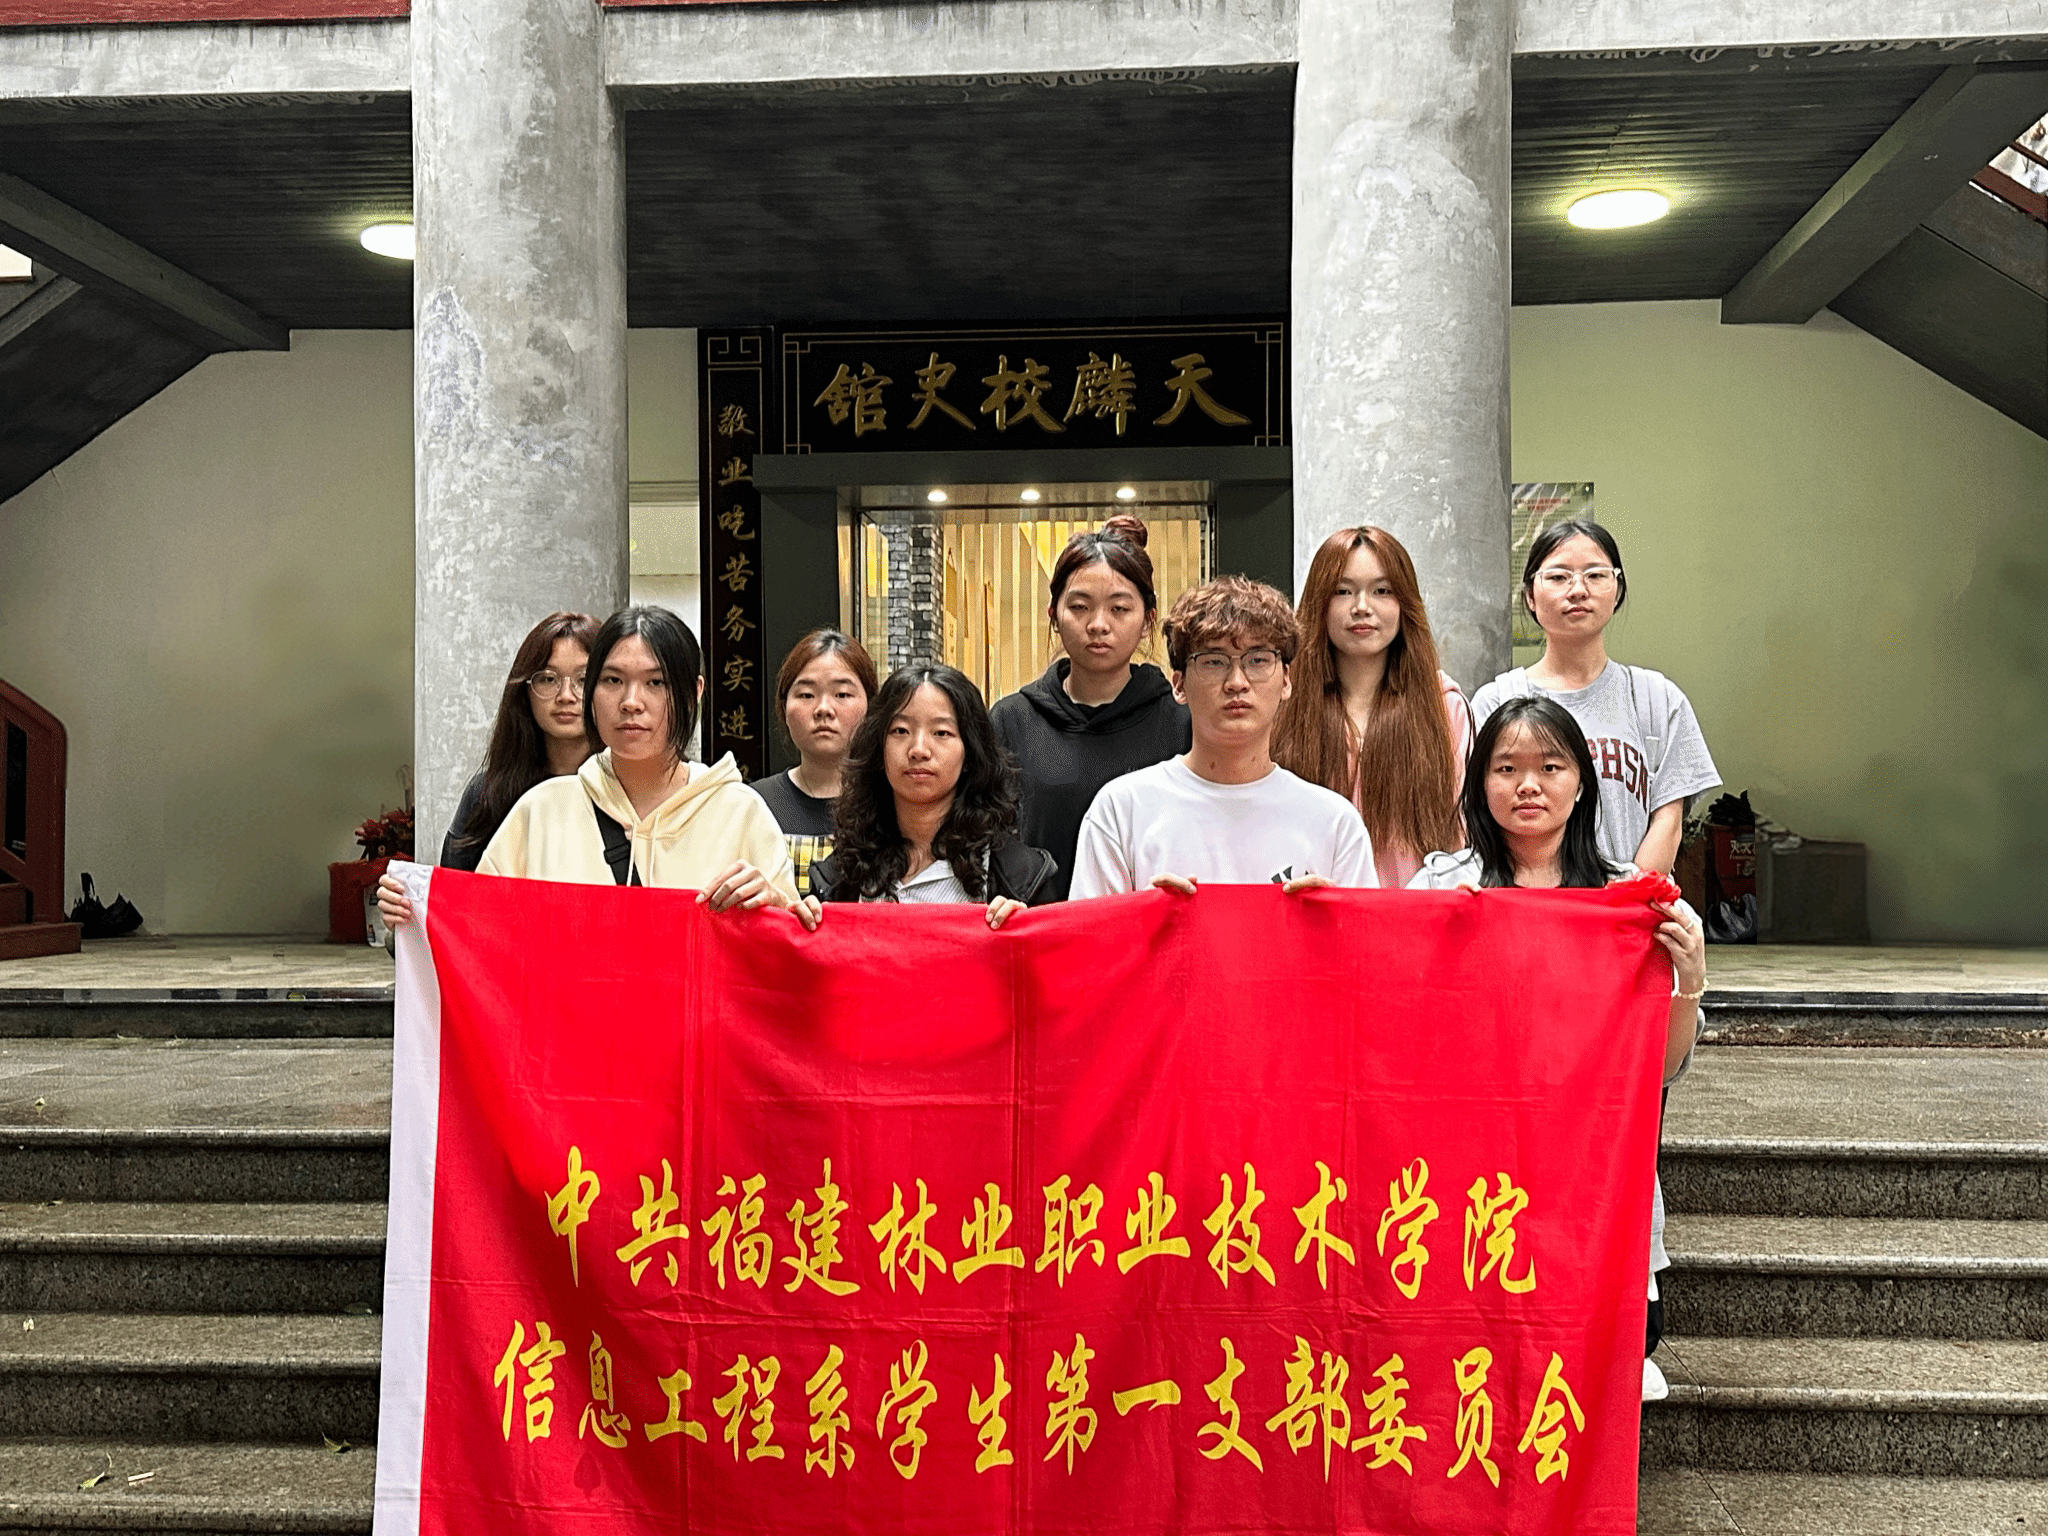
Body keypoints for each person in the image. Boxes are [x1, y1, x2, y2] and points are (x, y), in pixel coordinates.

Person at [1409, 695, 1706, 1404]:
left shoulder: (1634, 903)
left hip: (1592, 1194)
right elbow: (1397, 1028)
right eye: (1505, 768)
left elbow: (1661, 1070)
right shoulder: (1440, 887)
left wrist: (1689, 982)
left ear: (1581, 782)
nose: (1528, 785)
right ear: (1479, 782)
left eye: (1550, 766)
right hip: (1468, 1188)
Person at [378, 605, 796, 928]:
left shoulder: (740, 813)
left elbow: (790, 962)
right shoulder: (540, 810)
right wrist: (414, 916)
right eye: (613, 681)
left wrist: (777, 910)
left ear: (695, 692)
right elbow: (476, 933)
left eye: (656, 683)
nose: (631, 702)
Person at [1068, 576, 1376, 898]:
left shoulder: (1334, 823)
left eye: (1258, 660)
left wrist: (1332, 918)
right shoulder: (1122, 811)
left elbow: (1369, 931)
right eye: (1214, 662)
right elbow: (1088, 930)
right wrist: (1144, 914)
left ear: (1286, 680)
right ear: (1179, 684)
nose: (1237, 682)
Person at [1470, 519, 1718, 875]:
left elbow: (1669, 817)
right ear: (1529, 596)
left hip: (1629, 903)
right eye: (1558, 577)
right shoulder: (1497, 702)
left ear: (1617, 590)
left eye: (1595, 575)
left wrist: (1626, 899)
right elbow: (1477, 816)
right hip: (1526, 902)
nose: (1577, 590)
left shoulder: (1657, 701)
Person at [990, 515, 1191, 901]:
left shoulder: (1181, 721)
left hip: (1147, 928)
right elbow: (988, 838)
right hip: (1040, 927)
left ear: (1148, 620)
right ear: (1053, 615)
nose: (1098, 625)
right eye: (1080, 607)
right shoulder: (1012, 720)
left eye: (1119, 609)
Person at [1272, 526, 1472, 889]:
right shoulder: (1283, 704)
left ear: (1405, 604)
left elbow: (1462, 837)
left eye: (1382, 591)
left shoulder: (1446, 708)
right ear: (1319, 603)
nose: (1362, 607)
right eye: (1343, 591)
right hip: (1309, 910)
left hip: (1414, 913)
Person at [804, 664, 1055, 928]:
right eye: (900, 730)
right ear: (878, 749)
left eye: (941, 733)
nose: (918, 750)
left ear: (970, 752)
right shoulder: (842, 874)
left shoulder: (1019, 877)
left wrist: (1028, 931)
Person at [439, 611, 601, 873]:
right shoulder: (487, 793)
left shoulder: (629, 790)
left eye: (584, 680)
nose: (565, 695)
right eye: (548, 679)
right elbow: (453, 892)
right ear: (525, 690)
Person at [752, 628, 878, 897]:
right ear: (783, 707)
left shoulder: (888, 807)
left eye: (842, 694)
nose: (824, 709)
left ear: (871, 707)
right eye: (806, 695)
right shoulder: (752, 804)